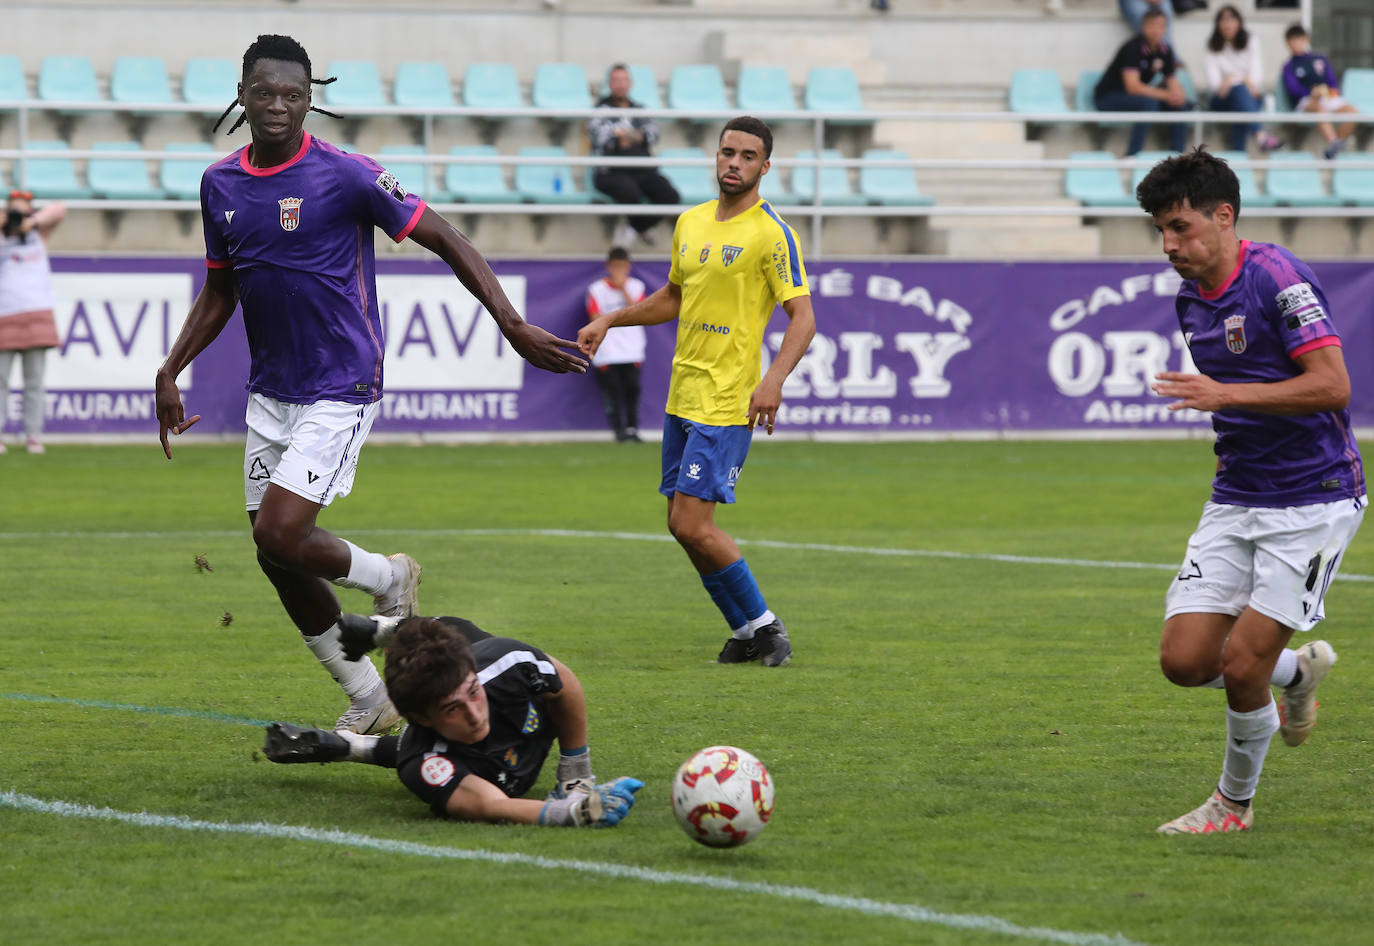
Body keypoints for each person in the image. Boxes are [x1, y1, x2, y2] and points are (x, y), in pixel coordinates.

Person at [155, 34, 587, 735]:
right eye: (263, 92)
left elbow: (446, 236)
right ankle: (368, 694)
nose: (277, 106)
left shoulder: (347, 174)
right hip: (272, 392)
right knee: (276, 556)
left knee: (280, 532)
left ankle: (388, 578)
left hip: (342, 380)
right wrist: (170, 368)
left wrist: (511, 322)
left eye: (293, 95)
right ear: (241, 92)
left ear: (309, 100)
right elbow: (219, 289)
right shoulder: (220, 184)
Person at [1137, 148, 1365, 834]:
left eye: (1180, 226)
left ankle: (1232, 806)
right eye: (1161, 232)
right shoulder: (1191, 297)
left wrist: (1224, 395)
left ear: (1224, 215)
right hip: (1239, 496)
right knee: (1184, 662)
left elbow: (1334, 387)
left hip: (1313, 499)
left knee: (1240, 667)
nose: (1170, 244)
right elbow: (1237, 405)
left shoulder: (1277, 279)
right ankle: (1297, 676)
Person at [577, 116, 816, 668]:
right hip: (682, 393)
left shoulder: (772, 234)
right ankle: (742, 630)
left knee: (692, 524)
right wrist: (612, 318)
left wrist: (773, 379)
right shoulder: (690, 222)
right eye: (727, 152)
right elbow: (673, 298)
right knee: (678, 525)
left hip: (729, 396)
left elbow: (802, 317)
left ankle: (767, 626)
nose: (734, 162)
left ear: (765, 167)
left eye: (747, 156)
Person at [263, 613, 644, 827]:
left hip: (477, 663)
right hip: (449, 754)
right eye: (452, 710)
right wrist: (573, 812)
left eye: (473, 694)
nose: (475, 714)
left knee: (464, 639)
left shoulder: (504, 664)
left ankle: (387, 631)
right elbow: (493, 805)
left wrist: (575, 774)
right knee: (426, 749)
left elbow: (565, 685)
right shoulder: (424, 761)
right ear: (420, 718)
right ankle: (348, 746)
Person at [0, 190, 65, 455]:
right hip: (5, 315)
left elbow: (60, 208)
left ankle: (33, 435)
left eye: (24, 212)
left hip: (37, 315)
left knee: (34, 381)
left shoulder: (39, 235)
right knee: (0, 380)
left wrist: (31, 222)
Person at [589, 64, 680, 248]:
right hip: (611, 172)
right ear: (609, 84)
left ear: (630, 83)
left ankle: (634, 228)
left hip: (642, 169)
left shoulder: (640, 108)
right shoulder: (599, 110)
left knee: (670, 196)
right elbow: (601, 137)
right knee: (630, 194)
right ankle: (639, 229)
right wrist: (637, 135)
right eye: (616, 80)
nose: (620, 85)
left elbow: (653, 135)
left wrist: (623, 134)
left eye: (624, 80)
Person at [1095, 8, 1195, 157]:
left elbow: (1171, 79)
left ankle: (1178, 158)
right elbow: (1132, 87)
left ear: (1165, 28)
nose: (1156, 30)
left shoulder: (1165, 50)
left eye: (1160, 26)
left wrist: (1177, 95)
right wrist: (1165, 94)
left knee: (1181, 105)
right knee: (1148, 104)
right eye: (1152, 25)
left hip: (1137, 97)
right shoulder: (1132, 48)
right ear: (1144, 26)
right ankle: (1132, 156)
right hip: (1109, 97)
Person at [586, 246, 647, 442]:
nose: (619, 270)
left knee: (632, 390)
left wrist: (622, 288)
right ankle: (618, 431)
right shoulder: (596, 289)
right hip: (607, 350)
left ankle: (632, 429)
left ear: (628, 266)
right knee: (611, 392)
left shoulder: (637, 287)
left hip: (632, 349)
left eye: (623, 266)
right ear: (608, 266)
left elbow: (640, 312)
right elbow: (595, 318)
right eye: (615, 266)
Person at [1203, 6, 1283, 153]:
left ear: (1239, 22)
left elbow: (1256, 79)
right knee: (1240, 92)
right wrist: (1242, 79)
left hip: (1247, 96)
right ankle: (1260, 135)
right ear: (1218, 24)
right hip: (1221, 100)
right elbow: (1216, 87)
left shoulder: (1251, 41)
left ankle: (1238, 154)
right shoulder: (1212, 45)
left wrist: (1231, 79)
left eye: (1231, 19)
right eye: (1223, 20)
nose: (1227, 24)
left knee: (1239, 101)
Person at [1280, 24, 1359, 160]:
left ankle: (1335, 146)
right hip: (1305, 102)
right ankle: (1333, 143)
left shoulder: (1320, 59)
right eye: (1292, 40)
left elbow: (1332, 82)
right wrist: (1312, 93)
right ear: (1287, 43)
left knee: (1352, 112)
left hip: (1326, 97)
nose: (1295, 43)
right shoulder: (1289, 66)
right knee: (1318, 107)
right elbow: (1294, 90)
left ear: (1306, 39)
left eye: (1298, 39)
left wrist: (1328, 91)